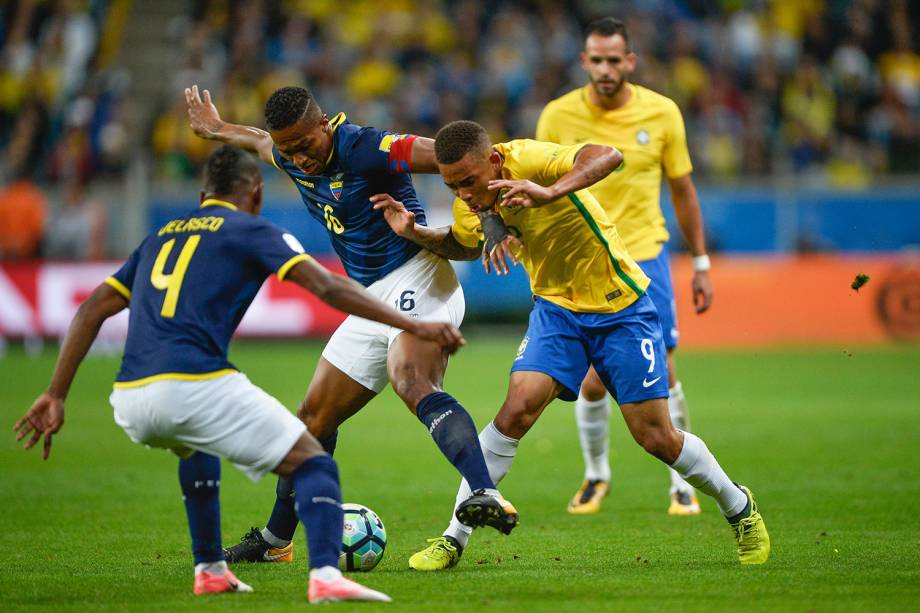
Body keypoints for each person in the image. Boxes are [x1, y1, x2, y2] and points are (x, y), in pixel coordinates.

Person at [12, 145, 466, 602]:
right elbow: (327, 286)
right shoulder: (250, 230)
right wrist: (412, 323)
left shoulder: (160, 237)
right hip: (194, 384)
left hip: (130, 398)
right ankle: (327, 576)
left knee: (195, 445)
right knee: (313, 460)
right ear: (256, 192)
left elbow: (92, 309)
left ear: (202, 192)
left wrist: (55, 394)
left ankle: (210, 568)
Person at [372, 120, 769, 570]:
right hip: (556, 312)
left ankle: (739, 506)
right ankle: (453, 538)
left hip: (622, 309)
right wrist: (415, 233)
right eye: (451, 185)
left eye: (468, 181)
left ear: (495, 161)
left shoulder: (531, 160)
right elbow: (464, 245)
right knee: (516, 409)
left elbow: (607, 156)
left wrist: (549, 192)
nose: (462, 193)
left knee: (655, 436)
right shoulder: (469, 201)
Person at [184, 85, 518, 564]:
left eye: (305, 145)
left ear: (326, 124)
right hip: (368, 298)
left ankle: (483, 492)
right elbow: (259, 141)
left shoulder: (365, 146)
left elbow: (450, 156)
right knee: (312, 419)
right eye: (289, 150)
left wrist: (488, 215)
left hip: (419, 276)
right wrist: (215, 129)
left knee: (411, 378)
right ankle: (277, 542)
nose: (299, 159)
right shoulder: (289, 151)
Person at [536, 17, 713, 516]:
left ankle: (682, 481)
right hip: (583, 259)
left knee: (664, 366)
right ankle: (596, 475)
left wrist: (700, 261)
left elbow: (683, 190)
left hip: (642, 255)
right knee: (593, 378)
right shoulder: (557, 115)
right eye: (597, 59)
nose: (606, 68)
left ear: (630, 62)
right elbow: (543, 184)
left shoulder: (662, 113)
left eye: (615, 59)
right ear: (584, 61)